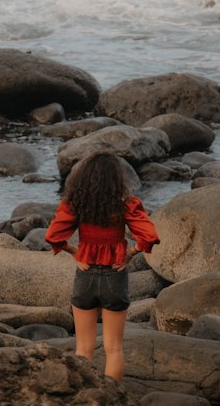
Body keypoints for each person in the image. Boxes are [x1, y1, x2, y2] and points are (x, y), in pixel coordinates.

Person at [44, 151, 160, 383]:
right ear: (117, 179)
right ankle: (112, 399)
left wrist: (74, 252)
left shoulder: (75, 204)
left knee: (83, 349)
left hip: (85, 275)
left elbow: (53, 235)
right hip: (114, 275)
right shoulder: (126, 205)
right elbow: (149, 235)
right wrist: (130, 254)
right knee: (114, 348)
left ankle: (84, 398)